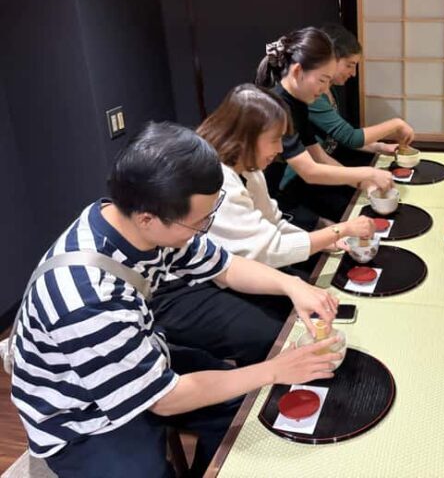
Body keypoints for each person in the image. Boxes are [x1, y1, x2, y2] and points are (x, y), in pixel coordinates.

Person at [10, 122, 341, 477]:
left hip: (141, 357)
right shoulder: (87, 300)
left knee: (243, 410)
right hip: (80, 417)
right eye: (199, 222)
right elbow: (166, 400)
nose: (204, 228)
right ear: (148, 218)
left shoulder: (136, 224)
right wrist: (274, 370)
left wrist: (293, 287)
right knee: (149, 468)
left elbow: (224, 266)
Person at [150, 85, 376, 367]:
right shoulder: (215, 181)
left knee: (305, 296)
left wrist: (324, 245)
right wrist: (339, 230)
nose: (281, 149)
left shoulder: (249, 170)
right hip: (182, 285)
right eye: (276, 139)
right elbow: (265, 250)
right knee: (270, 337)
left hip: (216, 267)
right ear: (247, 137)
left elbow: (269, 228)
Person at [255, 27, 393, 230]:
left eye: (329, 81)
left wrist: (360, 182)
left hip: (275, 195)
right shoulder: (277, 109)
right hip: (260, 201)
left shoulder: (299, 104)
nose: (325, 89)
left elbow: (319, 157)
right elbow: (310, 171)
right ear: (297, 71)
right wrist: (367, 174)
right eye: (322, 80)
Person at [307, 23, 415, 167]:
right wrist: (396, 124)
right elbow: (350, 137)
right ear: (330, 59)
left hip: (325, 165)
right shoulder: (312, 96)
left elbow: (342, 136)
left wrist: (381, 147)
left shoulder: (330, 90)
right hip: (300, 179)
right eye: (349, 65)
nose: (353, 73)